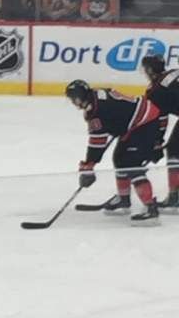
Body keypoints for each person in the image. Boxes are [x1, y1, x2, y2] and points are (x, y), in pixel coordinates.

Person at [65, 79, 162, 221]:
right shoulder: (96, 94)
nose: (73, 102)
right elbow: (116, 111)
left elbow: (97, 142)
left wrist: (89, 164)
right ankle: (123, 200)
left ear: (80, 96)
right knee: (120, 158)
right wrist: (117, 125)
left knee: (130, 164)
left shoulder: (95, 110)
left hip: (144, 123)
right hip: (139, 121)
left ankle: (150, 208)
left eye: (74, 98)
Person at [142, 54, 179, 210]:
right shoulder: (174, 72)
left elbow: (159, 119)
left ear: (149, 69)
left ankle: (175, 197)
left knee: (174, 152)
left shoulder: (155, 91)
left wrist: (156, 143)